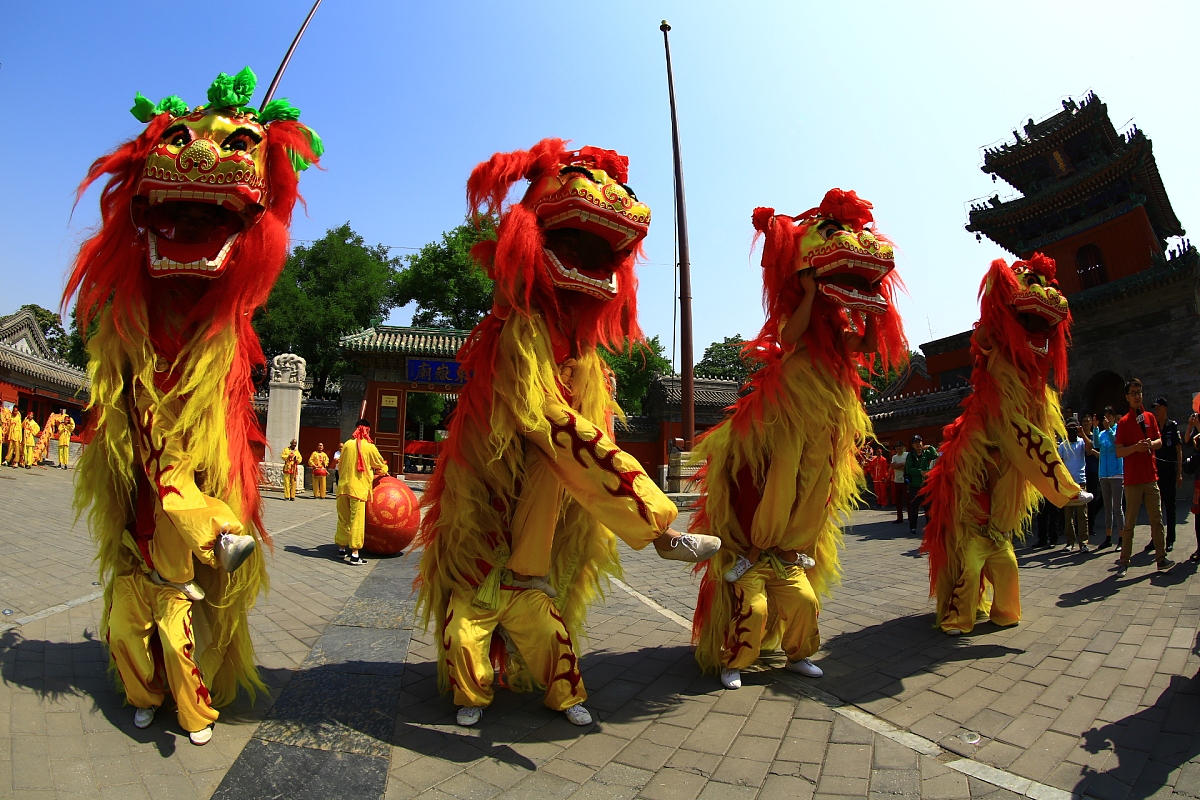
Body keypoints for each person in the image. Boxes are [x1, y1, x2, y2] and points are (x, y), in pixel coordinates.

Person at [1114, 379, 1172, 576]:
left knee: (1157, 519)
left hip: (1150, 477)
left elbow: (1159, 442)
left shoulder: (1149, 417)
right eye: (1133, 393)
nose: (1137, 396)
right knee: (1130, 523)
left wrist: (1150, 444)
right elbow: (1119, 451)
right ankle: (1124, 562)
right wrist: (1135, 448)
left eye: (1139, 392)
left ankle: (1161, 559)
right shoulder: (1123, 422)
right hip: (1132, 480)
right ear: (1127, 397)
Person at [336, 420, 388, 565]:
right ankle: (354, 554)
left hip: (343, 487)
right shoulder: (369, 447)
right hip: (358, 489)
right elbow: (380, 464)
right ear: (368, 431)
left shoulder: (346, 444)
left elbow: (340, 465)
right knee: (356, 521)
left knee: (343, 519)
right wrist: (384, 471)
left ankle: (341, 549)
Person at [1147, 397, 1182, 553]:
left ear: (1165, 409)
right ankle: (1155, 539)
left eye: (1158, 408)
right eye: (1155, 408)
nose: (1156, 411)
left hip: (1169, 471)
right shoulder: (1154, 427)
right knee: (1155, 507)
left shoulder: (1171, 426)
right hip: (1156, 472)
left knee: (1170, 506)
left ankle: (1170, 539)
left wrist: (1179, 473)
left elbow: (1178, 451)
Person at [1057, 420, 1092, 551]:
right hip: (1068, 484)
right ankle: (1070, 542)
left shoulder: (1081, 442)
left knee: (1082, 515)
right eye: (1069, 429)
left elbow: (1090, 447)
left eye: (1074, 429)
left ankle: (1083, 542)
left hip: (1080, 482)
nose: (1071, 432)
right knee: (1068, 515)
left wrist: (1082, 434)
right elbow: (1059, 463)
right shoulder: (1063, 445)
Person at [1096, 406, 1124, 548]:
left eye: (1109, 416)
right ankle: (1108, 537)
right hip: (1104, 474)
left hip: (1116, 473)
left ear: (1113, 417)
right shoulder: (1102, 433)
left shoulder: (1118, 429)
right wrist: (1095, 429)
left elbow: (1117, 443)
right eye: (1104, 417)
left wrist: (1109, 429)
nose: (1106, 419)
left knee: (1117, 508)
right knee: (1107, 508)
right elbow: (1096, 444)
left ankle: (1121, 538)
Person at [905, 435, 937, 534]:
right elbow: (908, 469)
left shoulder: (926, 453)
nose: (918, 444)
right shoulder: (910, 456)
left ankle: (929, 527)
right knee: (914, 507)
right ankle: (913, 527)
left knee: (928, 507)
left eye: (919, 442)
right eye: (916, 443)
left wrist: (930, 447)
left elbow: (935, 455)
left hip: (926, 484)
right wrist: (920, 472)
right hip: (915, 485)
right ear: (912, 445)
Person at [891, 441, 908, 525]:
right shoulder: (894, 457)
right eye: (896, 446)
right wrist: (901, 464)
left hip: (905, 481)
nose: (898, 448)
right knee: (898, 501)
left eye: (899, 446)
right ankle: (899, 518)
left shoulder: (907, 455)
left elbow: (907, 467)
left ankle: (910, 517)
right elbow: (893, 466)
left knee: (909, 500)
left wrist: (898, 466)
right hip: (897, 480)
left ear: (903, 447)